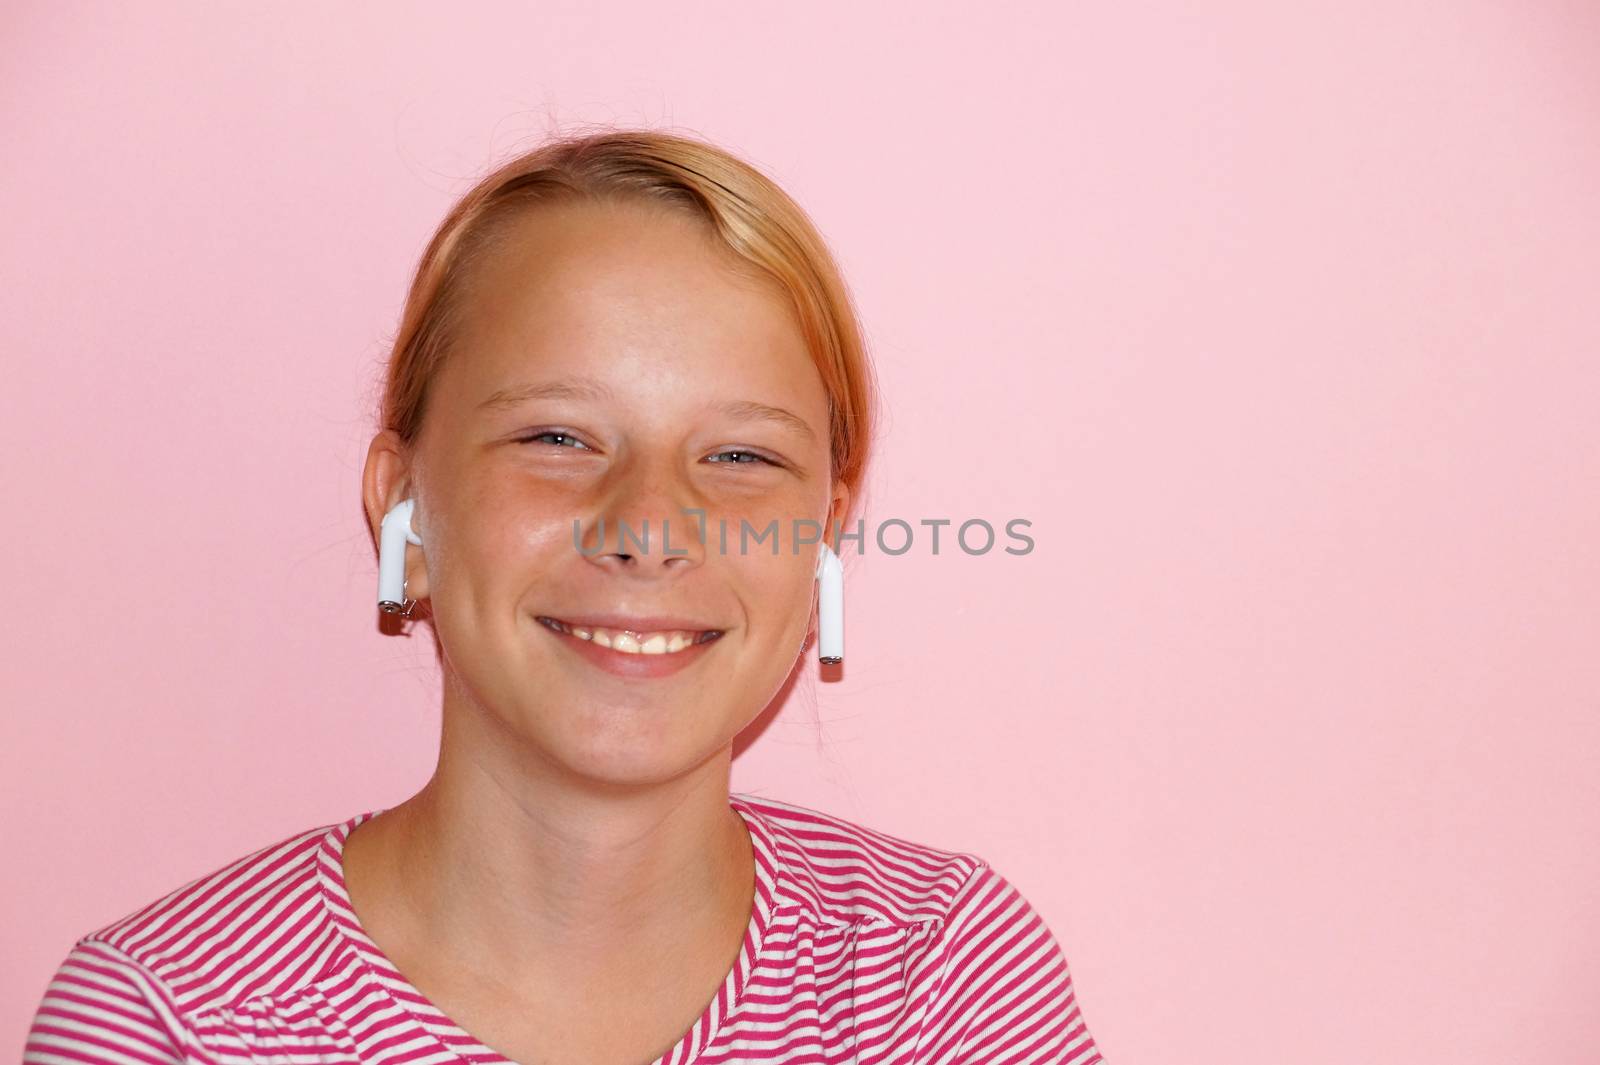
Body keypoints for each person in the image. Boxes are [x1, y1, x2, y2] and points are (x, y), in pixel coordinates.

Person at [23, 128, 1105, 1064]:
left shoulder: (938, 976)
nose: (646, 526)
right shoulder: (172, 1019)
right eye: (555, 437)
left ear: (820, 537)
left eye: (739, 456)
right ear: (404, 508)